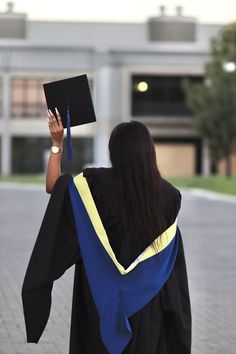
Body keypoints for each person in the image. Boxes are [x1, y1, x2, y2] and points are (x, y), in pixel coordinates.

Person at [21, 109, 192, 354]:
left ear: (114, 152)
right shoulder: (169, 196)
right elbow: (172, 270)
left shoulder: (93, 185)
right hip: (148, 305)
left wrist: (57, 143)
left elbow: (54, 187)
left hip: (98, 302)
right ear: (149, 152)